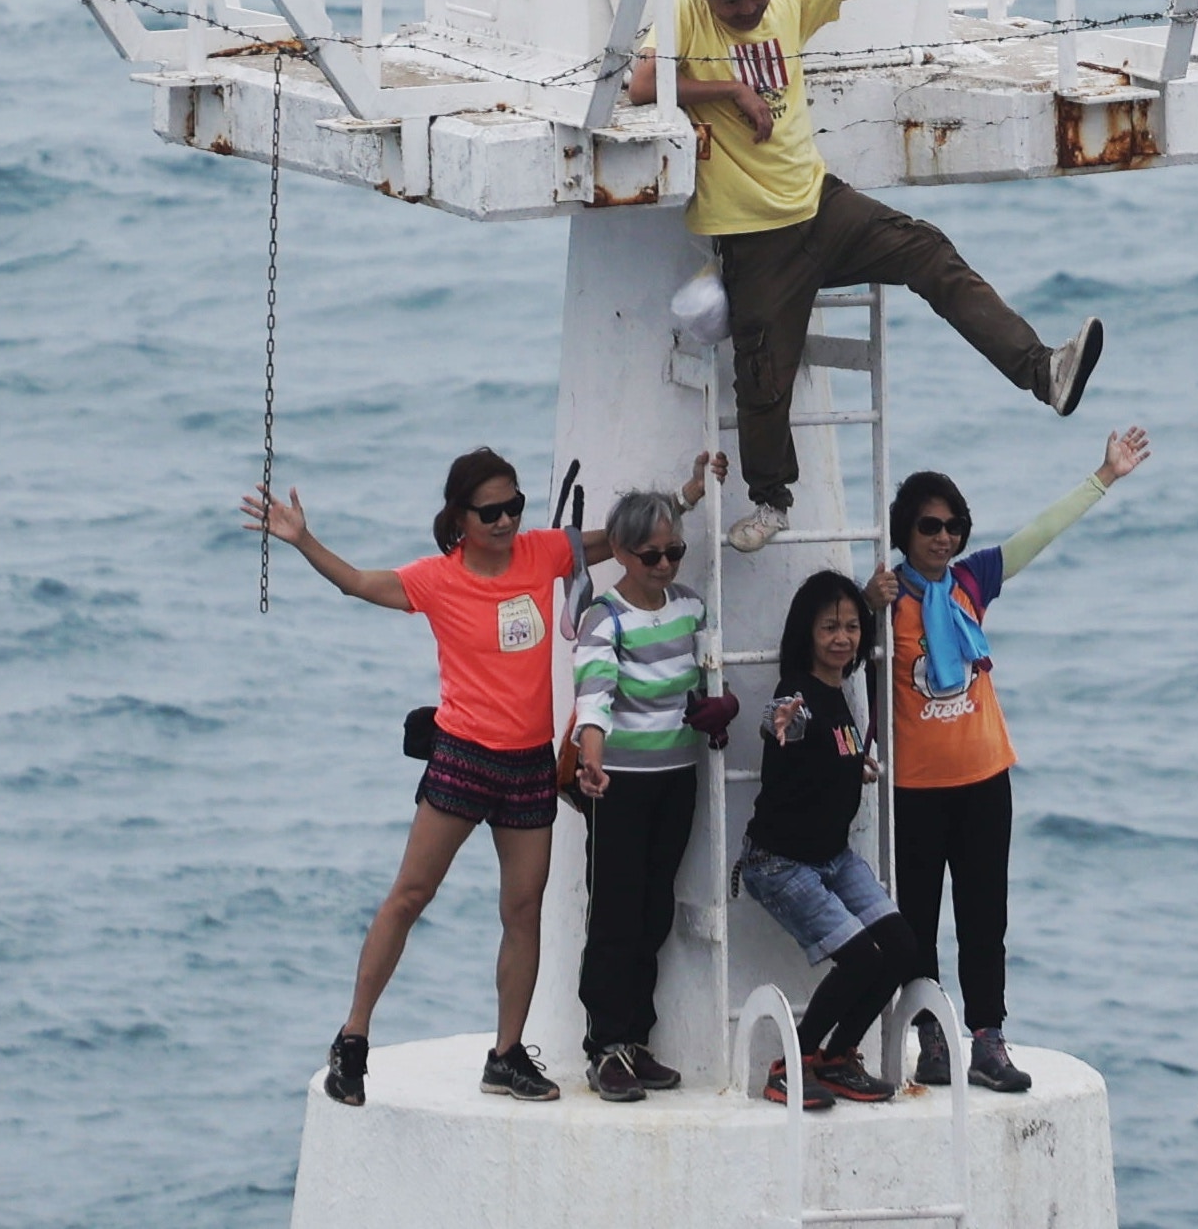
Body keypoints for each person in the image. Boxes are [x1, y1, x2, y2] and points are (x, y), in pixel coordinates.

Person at [625, 0, 1107, 556]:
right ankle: (772, 502)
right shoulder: (683, 13)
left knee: (929, 251)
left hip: (821, 206)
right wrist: (729, 90)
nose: (745, 5)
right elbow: (641, 85)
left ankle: (1041, 371)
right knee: (763, 377)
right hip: (751, 234)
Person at [244, 447, 713, 1108]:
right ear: (458, 518)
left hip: (526, 765)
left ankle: (506, 1054)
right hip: (463, 756)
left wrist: (686, 498)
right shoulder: (436, 579)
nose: (504, 520)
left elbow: (626, 540)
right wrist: (302, 539)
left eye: (513, 506)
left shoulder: (544, 553)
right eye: (490, 511)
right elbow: (357, 582)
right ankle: (353, 1037)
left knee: (522, 912)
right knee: (409, 896)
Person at [872, 427, 1149, 1094]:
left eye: (954, 526)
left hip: (983, 779)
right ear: (904, 532)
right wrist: (862, 604)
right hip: (913, 789)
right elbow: (840, 662)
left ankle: (986, 1041)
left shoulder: (971, 581)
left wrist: (1103, 475)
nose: (943, 538)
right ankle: (930, 1037)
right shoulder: (881, 604)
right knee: (915, 920)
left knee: (983, 916)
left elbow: (1038, 533)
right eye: (929, 526)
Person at [564, 485, 732, 1101]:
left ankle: (635, 1039)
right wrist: (593, 761)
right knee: (614, 914)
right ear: (622, 553)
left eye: (674, 553)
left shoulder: (690, 607)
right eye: (650, 555)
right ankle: (604, 1046)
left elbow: (703, 680)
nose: (664, 566)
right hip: (621, 786)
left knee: (654, 911)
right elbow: (595, 695)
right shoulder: (602, 618)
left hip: (676, 779)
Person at [736, 569, 916, 1109]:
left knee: (904, 951)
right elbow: (783, 722)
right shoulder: (799, 692)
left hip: (832, 858)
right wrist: (780, 722)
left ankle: (837, 1060)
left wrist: (853, 767)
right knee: (862, 959)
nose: (842, 638)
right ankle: (790, 1066)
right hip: (781, 863)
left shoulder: (840, 688)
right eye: (828, 629)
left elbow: (829, 750)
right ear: (806, 635)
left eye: (851, 627)